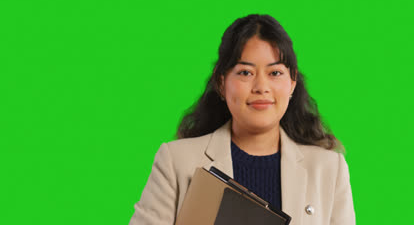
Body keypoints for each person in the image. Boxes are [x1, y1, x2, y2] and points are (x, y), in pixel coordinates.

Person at [129, 14, 356, 225]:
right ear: (221, 82)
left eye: (275, 73)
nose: (261, 87)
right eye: (245, 73)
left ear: (293, 82)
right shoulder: (176, 161)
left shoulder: (328, 169)